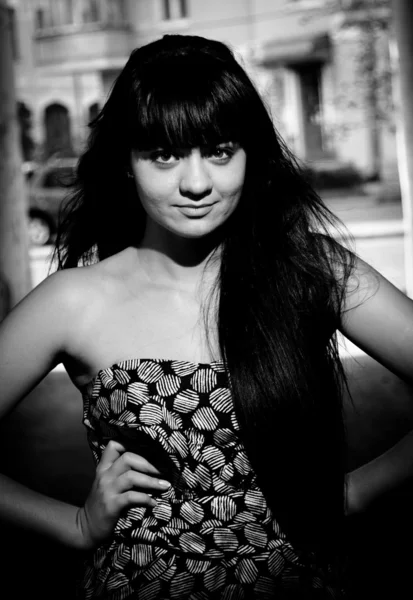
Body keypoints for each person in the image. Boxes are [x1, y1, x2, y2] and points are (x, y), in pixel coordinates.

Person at [0, 34, 412, 599]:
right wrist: (75, 526)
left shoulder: (311, 272)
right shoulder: (74, 301)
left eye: (220, 150)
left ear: (251, 154)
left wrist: (356, 493)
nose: (196, 184)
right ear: (125, 161)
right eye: (163, 155)